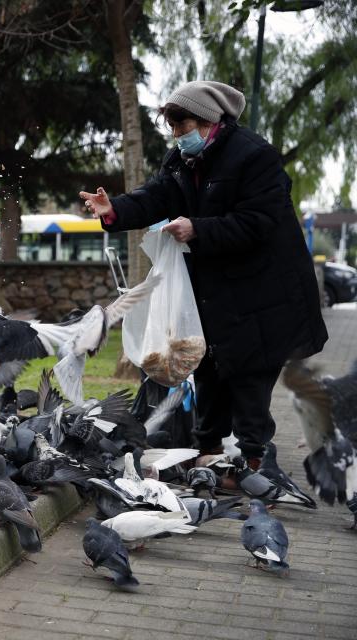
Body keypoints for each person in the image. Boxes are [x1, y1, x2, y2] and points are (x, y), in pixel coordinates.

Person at [79, 80, 328, 471]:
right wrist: (114, 209)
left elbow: (259, 222)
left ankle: (255, 463)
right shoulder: (181, 161)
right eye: (173, 127)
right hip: (217, 294)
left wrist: (198, 228)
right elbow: (156, 196)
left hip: (265, 293)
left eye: (183, 125)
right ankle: (208, 456)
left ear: (211, 121)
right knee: (210, 369)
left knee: (248, 378)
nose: (178, 135)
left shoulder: (254, 157)